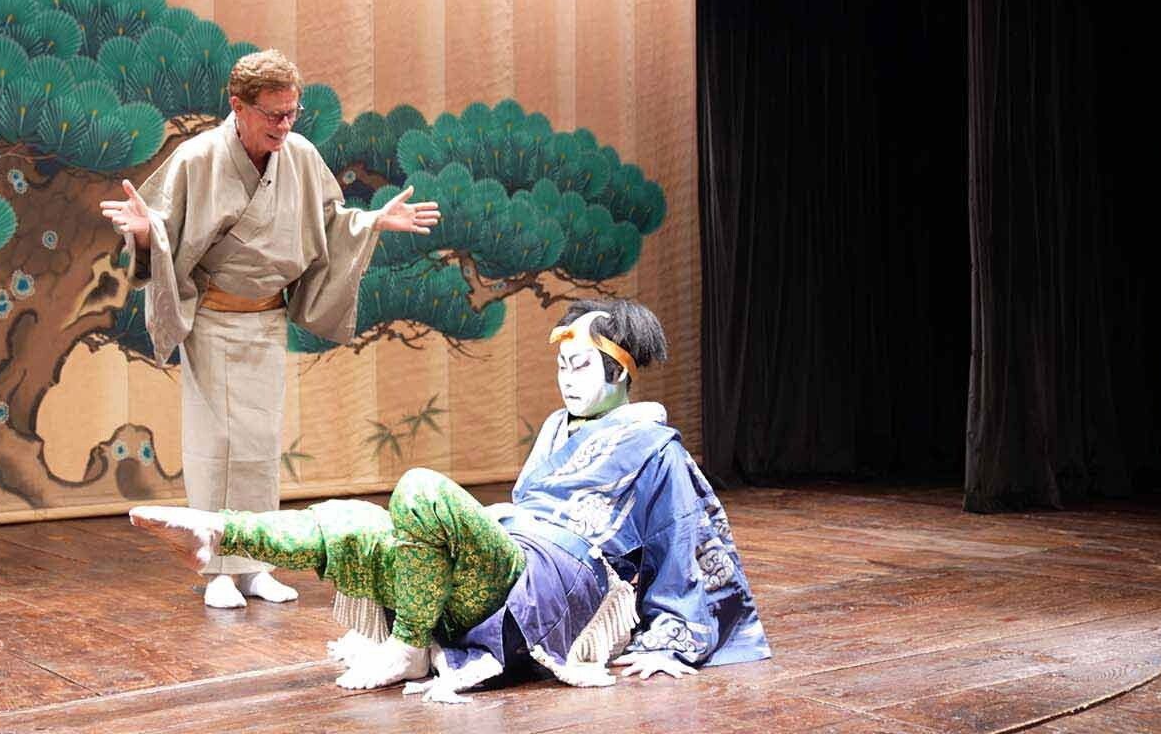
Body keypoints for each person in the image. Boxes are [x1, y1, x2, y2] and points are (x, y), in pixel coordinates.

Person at [130, 299, 771, 700]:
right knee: (358, 523)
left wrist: (670, 639)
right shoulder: (557, 428)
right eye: (561, 366)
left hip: (555, 582)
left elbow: (686, 540)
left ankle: (410, 645)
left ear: (620, 370)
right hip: (512, 560)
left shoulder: (655, 447)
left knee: (421, 490)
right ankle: (221, 533)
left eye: (580, 367)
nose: (566, 380)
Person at [99, 49, 439, 609]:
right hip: (213, 320)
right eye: (274, 115)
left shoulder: (299, 154)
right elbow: (160, 229)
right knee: (216, 446)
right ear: (238, 106)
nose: (284, 125)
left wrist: (373, 222)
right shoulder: (199, 157)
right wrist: (141, 234)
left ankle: (256, 564)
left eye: (292, 114)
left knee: (258, 449)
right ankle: (218, 571)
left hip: (265, 319)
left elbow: (329, 222)